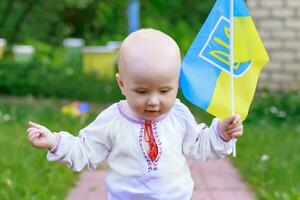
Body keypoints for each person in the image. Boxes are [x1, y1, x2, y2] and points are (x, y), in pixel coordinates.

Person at [27, 28, 243, 200]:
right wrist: (54, 142)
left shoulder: (178, 115)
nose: (153, 101)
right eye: (141, 91)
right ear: (122, 84)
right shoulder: (112, 120)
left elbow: (200, 145)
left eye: (165, 90)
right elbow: (85, 149)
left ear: (177, 83)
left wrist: (221, 133)